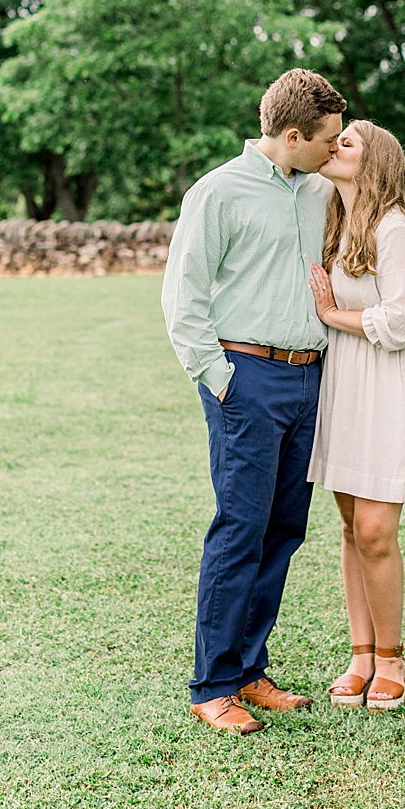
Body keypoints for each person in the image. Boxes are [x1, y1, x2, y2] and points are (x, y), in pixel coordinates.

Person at [161, 67, 348, 735]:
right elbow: (183, 297)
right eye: (327, 139)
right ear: (292, 135)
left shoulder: (323, 190)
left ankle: (248, 669)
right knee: (241, 529)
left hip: (309, 379)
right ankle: (212, 685)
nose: (335, 148)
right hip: (244, 378)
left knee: (283, 530)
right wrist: (219, 378)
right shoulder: (217, 192)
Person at [306, 120, 405, 712]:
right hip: (345, 382)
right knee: (347, 526)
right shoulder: (334, 223)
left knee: (375, 531)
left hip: (390, 384)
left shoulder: (392, 228)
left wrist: (332, 316)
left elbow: (399, 322)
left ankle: (391, 658)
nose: (333, 146)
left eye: (347, 142)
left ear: (375, 162)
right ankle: (360, 656)